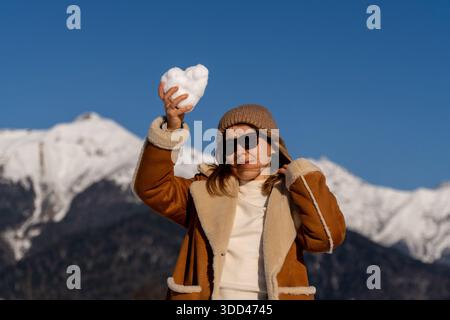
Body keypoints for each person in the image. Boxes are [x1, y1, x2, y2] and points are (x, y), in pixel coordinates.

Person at [131, 82, 346, 300]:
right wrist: (172, 127)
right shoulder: (204, 191)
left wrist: (302, 177)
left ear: (271, 145)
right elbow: (152, 187)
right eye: (229, 145)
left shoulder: (292, 195)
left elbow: (327, 237)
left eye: (249, 141)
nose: (240, 151)